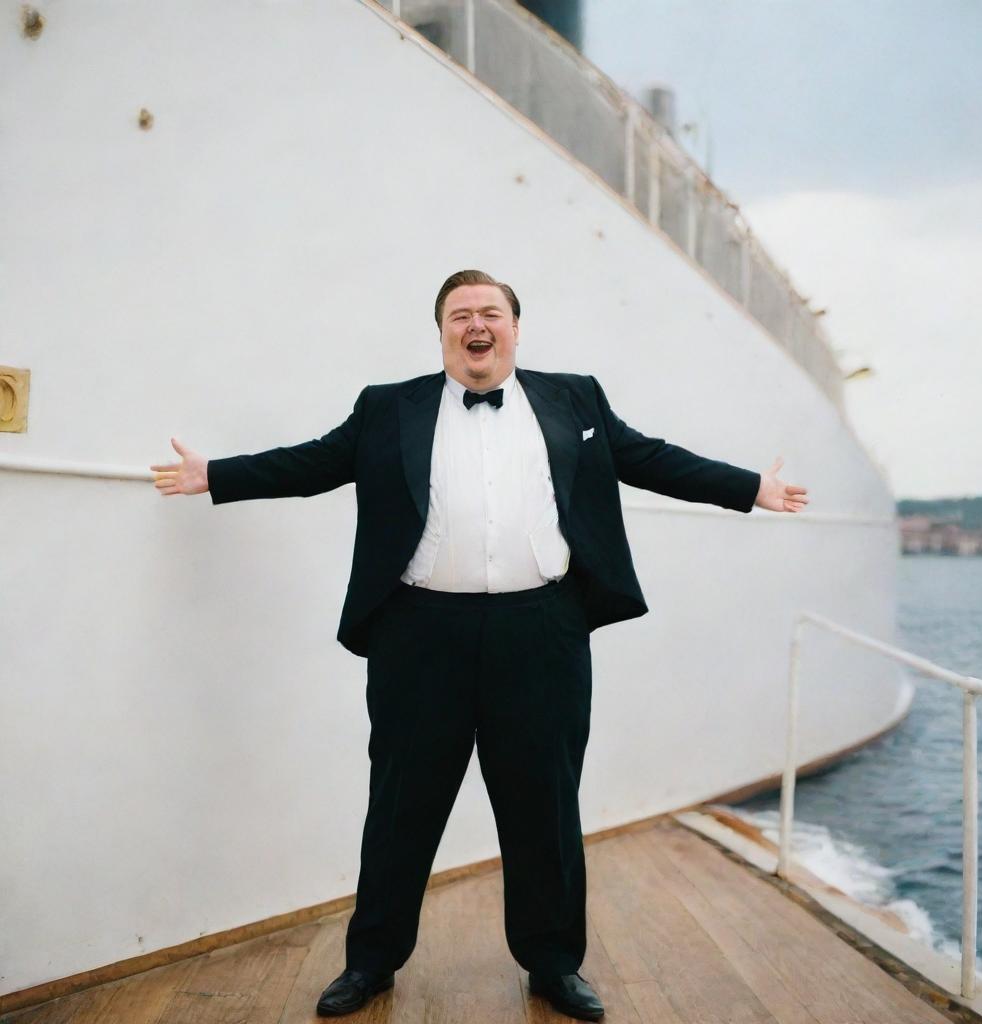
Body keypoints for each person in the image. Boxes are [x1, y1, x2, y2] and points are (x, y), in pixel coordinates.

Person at [151, 268, 809, 1020]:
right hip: (420, 636)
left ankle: (555, 965)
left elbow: (651, 458)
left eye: (490, 312)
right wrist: (216, 476)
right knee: (401, 807)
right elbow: (312, 463)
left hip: (543, 634)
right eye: (460, 314)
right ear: (442, 334)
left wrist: (748, 487)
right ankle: (371, 964)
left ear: (515, 328)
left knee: (545, 808)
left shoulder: (575, 398)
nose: (476, 324)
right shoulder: (387, 408)